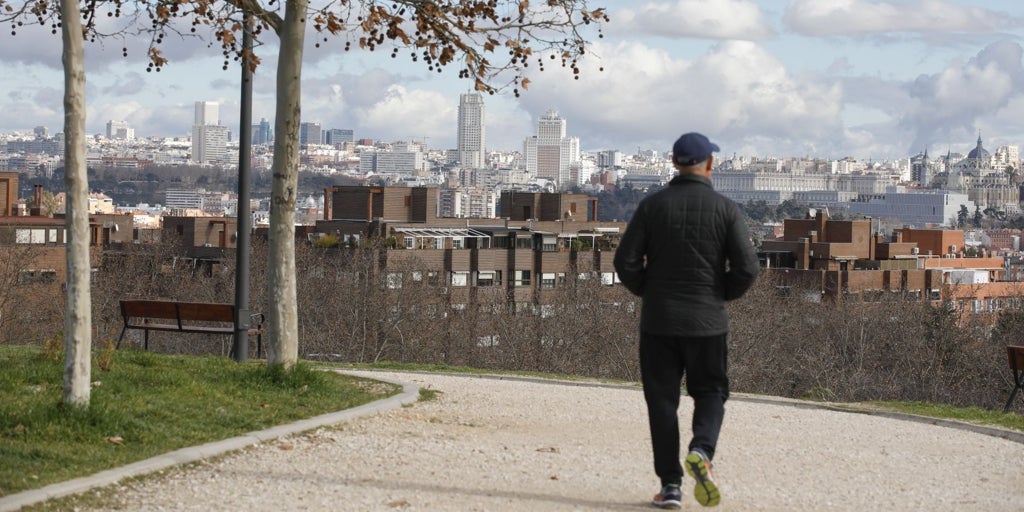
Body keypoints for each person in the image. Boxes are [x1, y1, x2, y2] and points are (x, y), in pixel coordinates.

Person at [613, 132, 759, 509]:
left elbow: (625, 262)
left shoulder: (651, 206)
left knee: (662, 402)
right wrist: (720, 294)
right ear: (709, 163)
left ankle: (671, 486)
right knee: (711, 392)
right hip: (708, 323)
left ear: (675, 163)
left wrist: (649, 290)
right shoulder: (726, 210)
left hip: (660, 321)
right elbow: (747, 268)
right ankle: (702, 451)